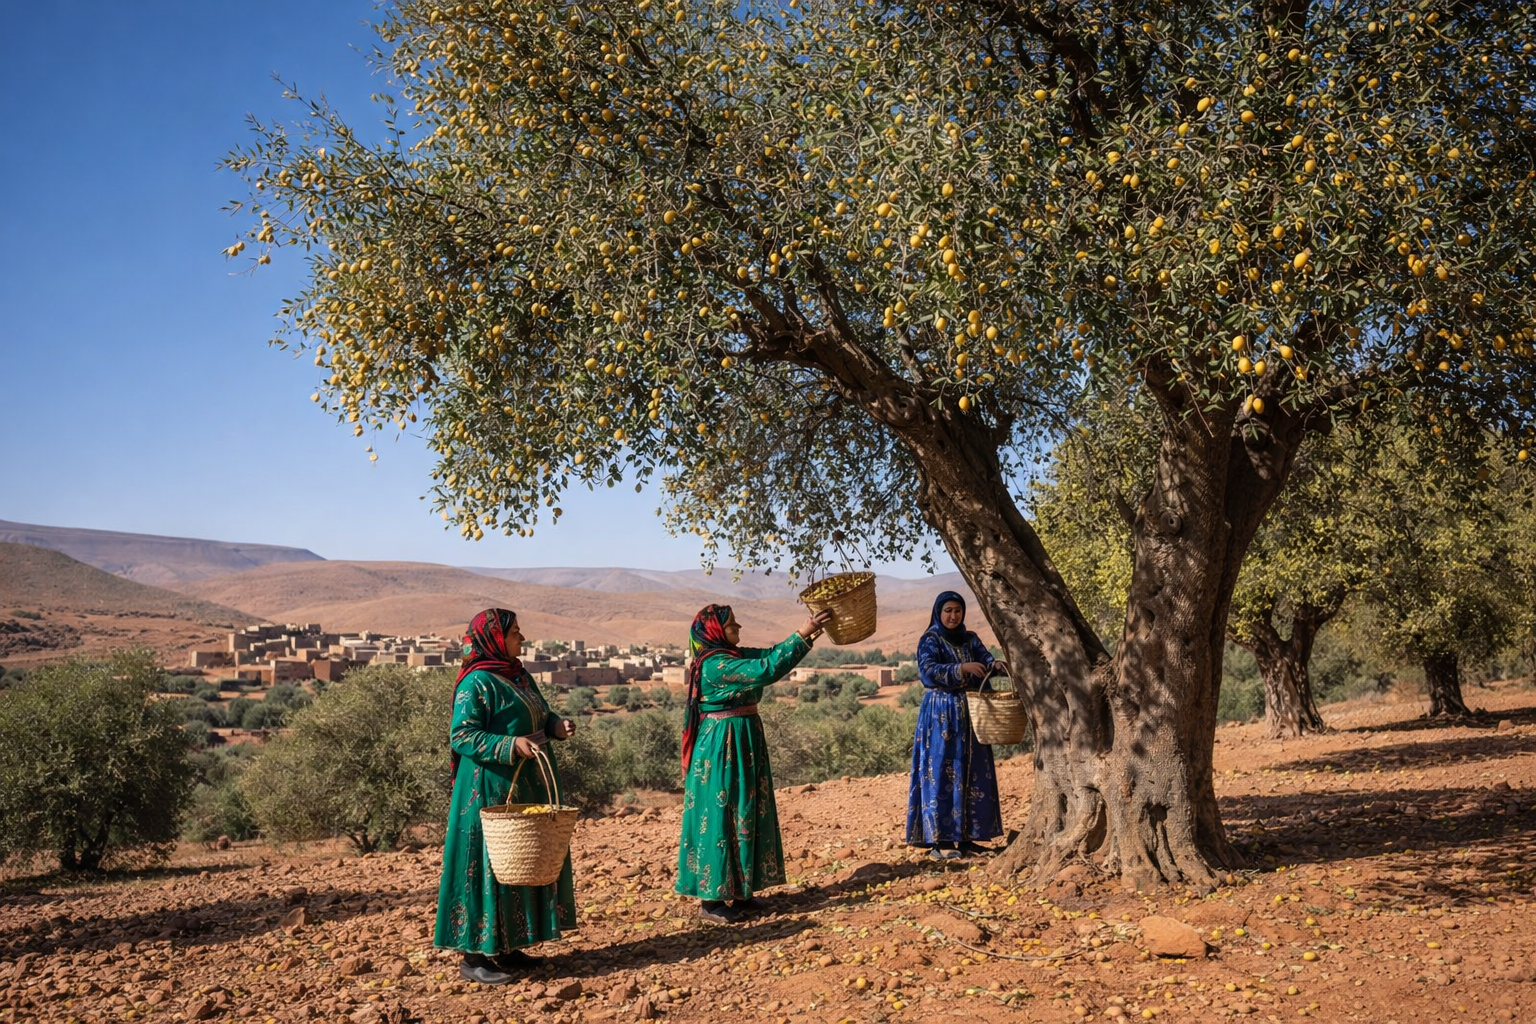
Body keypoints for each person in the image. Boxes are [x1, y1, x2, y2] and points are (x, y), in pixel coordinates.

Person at [434, 608, 578, 985]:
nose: (522, 638)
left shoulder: (518, 675)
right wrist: (509, 745)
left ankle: (510, 945)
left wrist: (555, 726)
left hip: (521, 783)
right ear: (494, 638)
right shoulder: (476, 683)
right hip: (487, 788)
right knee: (486, 864)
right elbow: (462, 736)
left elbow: (540, 714)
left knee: (520, 860)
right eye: (515, 632)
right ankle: (474, 955)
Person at [675, 603, 833, 924]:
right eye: (733, 624)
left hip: (743, 741)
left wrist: (811, 631)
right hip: (722, 746)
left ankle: (742, 893)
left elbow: (771, 655)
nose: (739, 627)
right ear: (716, 631)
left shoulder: (732, 654)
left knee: (746, 808)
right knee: (721, 813)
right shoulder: (715, 665)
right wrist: (804, 631)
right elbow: (766, 670)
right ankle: (711, 900)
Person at [906, 591, 1006, 859]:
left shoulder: (971, 638)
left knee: (972, 771)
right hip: (941, 715)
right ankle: (940, 841)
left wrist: (993, 665)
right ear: (938, 612)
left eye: (958, 611)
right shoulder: (930, 639)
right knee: (940, 771)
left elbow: (984, 658)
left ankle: (968, 839)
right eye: (948, 610)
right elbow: (928, 671)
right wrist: (961, 669)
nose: (953, 616)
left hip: (972, 715)